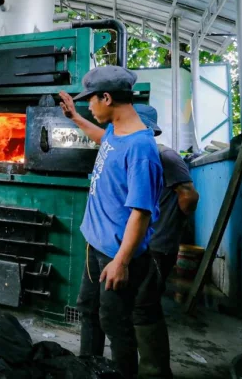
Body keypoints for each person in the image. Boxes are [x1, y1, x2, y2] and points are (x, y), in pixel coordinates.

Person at [59, 66, 163, 379]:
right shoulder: (116, 132)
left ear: (107, 97)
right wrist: (75, 118)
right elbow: (100, 138)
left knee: (115, 324)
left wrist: (121, 261)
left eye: (91, 101)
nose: (89, 106)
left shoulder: (141, 149)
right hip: (96, 246)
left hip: (116, 255)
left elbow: (140, 213)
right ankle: (87, 370)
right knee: (89, 312)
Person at [131, 105, 199, 379]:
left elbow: (189, 197)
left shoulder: (166, 156)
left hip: (158, 245)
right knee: (139, 305)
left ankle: (154, 372)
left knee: (145, 307)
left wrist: (168, 227)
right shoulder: (141, 155)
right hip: (145, 243)